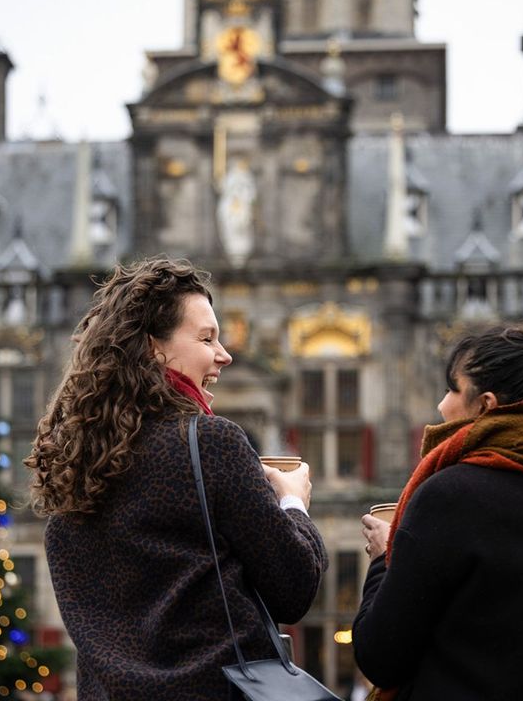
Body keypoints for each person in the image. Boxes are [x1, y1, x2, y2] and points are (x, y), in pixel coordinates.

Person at [26, 257, 328, 699]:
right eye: (207, 338)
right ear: (154, 348)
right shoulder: (210, 443)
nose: (225, 354)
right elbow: (294, 588)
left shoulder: (73, 474)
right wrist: (293, 502)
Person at [353, 321, 523, 701]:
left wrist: (384, 559)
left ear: (486, 404)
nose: (441, 405)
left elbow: (379, 657)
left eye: (452, 389)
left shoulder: (449, 496)